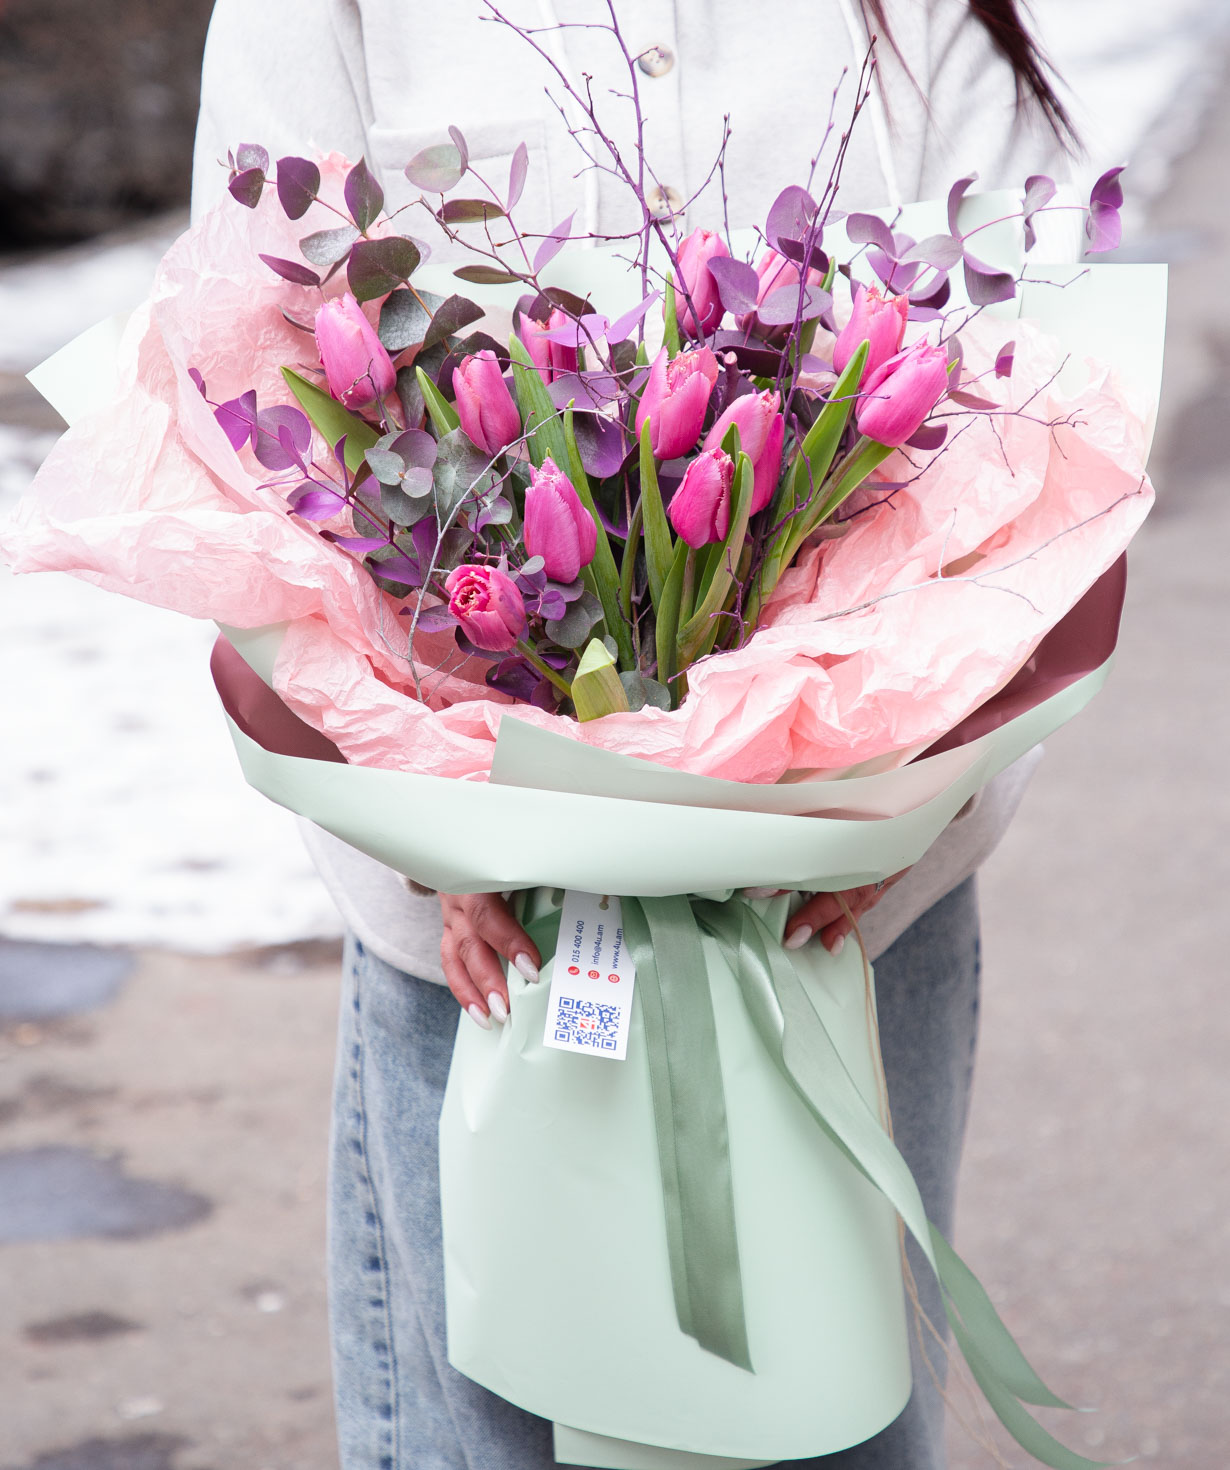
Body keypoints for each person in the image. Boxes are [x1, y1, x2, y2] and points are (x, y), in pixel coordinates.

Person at [192, 4, 1079, 1466]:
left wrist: (905, 813)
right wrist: (436, 836)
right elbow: (251, 389)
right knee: (489, 1424)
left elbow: (1031, 424)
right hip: (482, 935)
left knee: (822, 1416)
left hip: (844, 922)